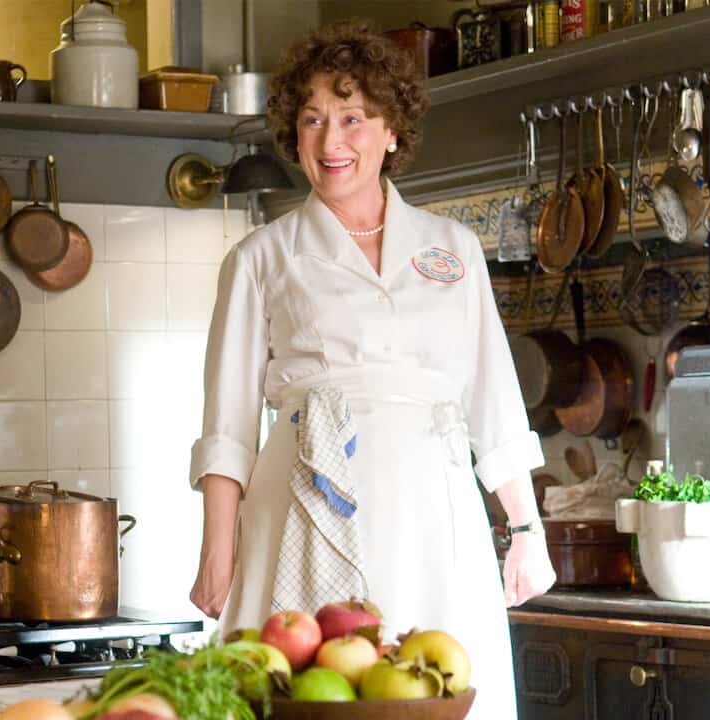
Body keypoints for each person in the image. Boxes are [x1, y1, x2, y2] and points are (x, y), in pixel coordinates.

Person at [187, 21, 556, 719]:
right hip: (303, 504)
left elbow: (492, 398)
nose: (332, 143)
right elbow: (227, 427)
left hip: (434, 506)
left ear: (391, 131)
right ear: (293, 136)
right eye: (313, 120)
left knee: (437, 685)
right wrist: (218, 549)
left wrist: (526, 531)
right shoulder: (261, 259)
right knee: (306, 689)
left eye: (353, 118)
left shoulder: (452, 248)